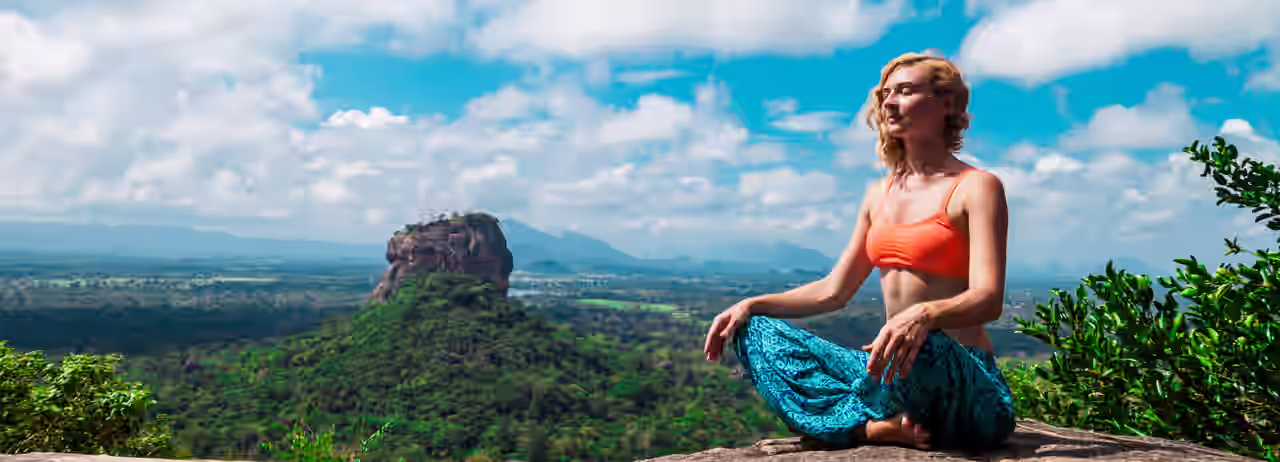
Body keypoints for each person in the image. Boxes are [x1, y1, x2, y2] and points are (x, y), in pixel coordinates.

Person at [703, 51, 1015, 451]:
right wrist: (751, 304)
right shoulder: (877, 194)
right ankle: (870, 429)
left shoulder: (976, 186)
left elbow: (988, 299)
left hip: (961, 379)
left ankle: (845, 419)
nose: (890, 103)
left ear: (947, 104)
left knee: (924, 343)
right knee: (756, 331)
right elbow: (834, 291)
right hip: (892, 373)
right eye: (886, 95)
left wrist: (924, 315)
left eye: (906, 91)